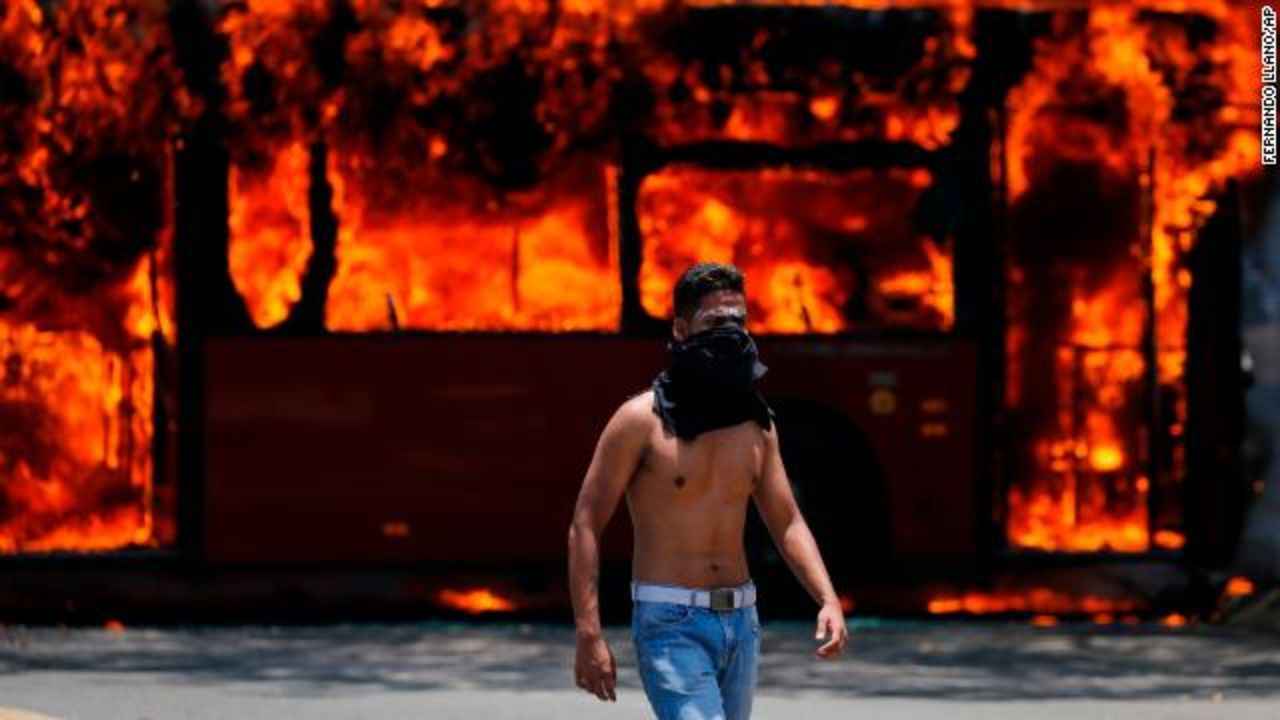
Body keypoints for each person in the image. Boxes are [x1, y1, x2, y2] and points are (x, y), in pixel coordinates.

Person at [567, 262, 849, 719]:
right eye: (715, 322)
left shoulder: (758, 425)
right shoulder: (640, 421)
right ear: (681, 329)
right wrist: (588, 632)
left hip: (742, 621)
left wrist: (828, 598)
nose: (730, 332)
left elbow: (788, 521)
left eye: (738, 321)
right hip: (670, 621)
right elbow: (585, 524)